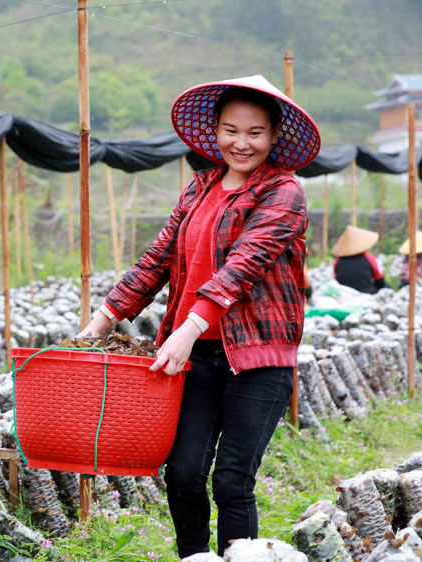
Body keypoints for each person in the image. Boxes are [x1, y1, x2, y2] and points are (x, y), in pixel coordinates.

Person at [77, 75, 320, 557]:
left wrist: (188, 328)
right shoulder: (199, 188)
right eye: (231, 130)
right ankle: (194, 556)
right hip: (194, 354)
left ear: (274, 136)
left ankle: (241, 556)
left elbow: (242, 267)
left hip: (255, 356)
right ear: (215, 132)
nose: (241, 143)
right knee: (184, 471)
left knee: (232, 478)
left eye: (255, 133)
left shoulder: (283, 193)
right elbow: (157, 261)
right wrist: (99, 323)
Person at [331, 225, 385, 294]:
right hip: (366, 293)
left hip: (344, 294)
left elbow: (336, 279)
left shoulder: (338, 261)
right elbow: (379, 280)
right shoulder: (369, 258)